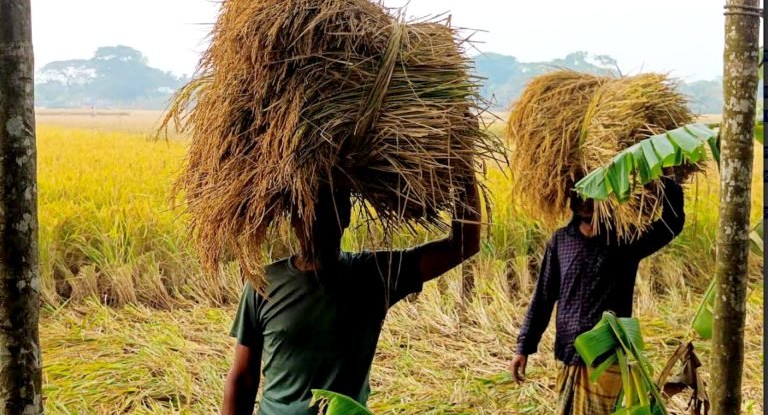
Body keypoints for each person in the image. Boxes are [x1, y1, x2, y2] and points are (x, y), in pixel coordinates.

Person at [221, 173, 481, 415]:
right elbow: (243, 377)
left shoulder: (374, 275)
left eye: (326, 212)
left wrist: (462, 167)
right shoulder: (262, 283)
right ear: (293, 218)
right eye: (306, 211)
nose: (315, 221)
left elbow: (463, 244)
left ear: (344, 217)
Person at [510, 171, 685, 415]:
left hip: (607, 358)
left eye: (593, 194)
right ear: (571, 198)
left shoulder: (625, 239)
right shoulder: (560, 241)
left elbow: (671, 224)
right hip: (569, 354)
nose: (586, 201)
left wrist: (665, 178)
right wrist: (523, 347)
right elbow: (543, 297)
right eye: (580, 194)